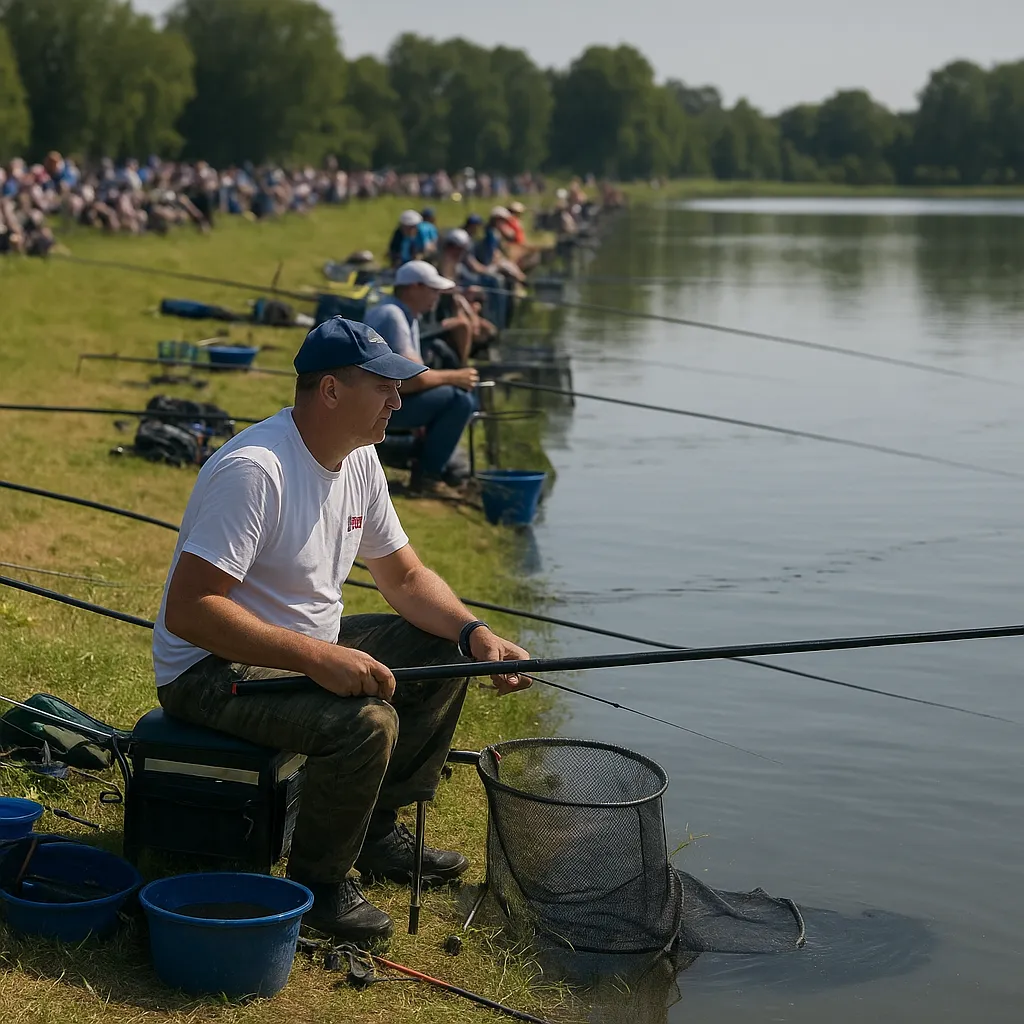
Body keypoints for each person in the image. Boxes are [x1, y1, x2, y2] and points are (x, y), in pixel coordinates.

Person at [154, 317, 531, 945]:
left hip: (300, 648)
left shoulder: (360, 460)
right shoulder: (255, 469)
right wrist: (317, 661)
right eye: (384, 386)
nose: (398, 400)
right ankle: (318, 888)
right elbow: (191, 611)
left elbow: (406, 577)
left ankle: (376, 830)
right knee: (366, 723)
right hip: (208, 670)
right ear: (330, 391)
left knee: (443, 647)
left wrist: (474, 635)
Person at [363, 261, 479, 491]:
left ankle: (424, 461)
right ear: (413, 287)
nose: (437, 296)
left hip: (380, 400)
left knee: (452, 396)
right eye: (433, 289)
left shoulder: (405, 314)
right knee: (460, 400)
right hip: (373, 406)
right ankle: (427, 478)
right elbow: (409, 379)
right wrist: (455, 377)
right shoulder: (392, 315)